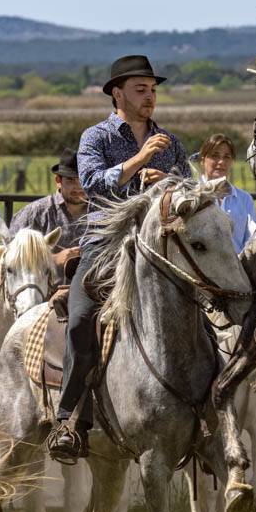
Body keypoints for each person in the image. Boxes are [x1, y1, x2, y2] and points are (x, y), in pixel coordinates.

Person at [51, 55, 192, 462]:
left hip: (160, 250)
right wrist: (140, 159)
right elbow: (93, 185)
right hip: (106, 247)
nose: (150, 98)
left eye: (152, 90)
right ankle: (68, 419)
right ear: (118, 94)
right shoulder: (95, 137)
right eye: (140, 90)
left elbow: (189, 188)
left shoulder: (171, 142)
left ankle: (206, 404)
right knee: (80, 320)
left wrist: (168, 180)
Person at [10, 148, 88, 278]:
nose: (78, 187)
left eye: (83, 179)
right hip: (45, 294)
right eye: (71, 180)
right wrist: (54, 259)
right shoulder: (34, 213)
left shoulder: (102, 213)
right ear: (58, 181)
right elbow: (11, 256)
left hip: (92, 294)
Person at [196, 133, 256, 252]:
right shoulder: (193, 196)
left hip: (238, 266)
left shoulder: (244, 199)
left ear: (232, 161)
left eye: (227, 157)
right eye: (215, 156)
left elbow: (253, 237)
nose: (221, 162)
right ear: (203, 160)